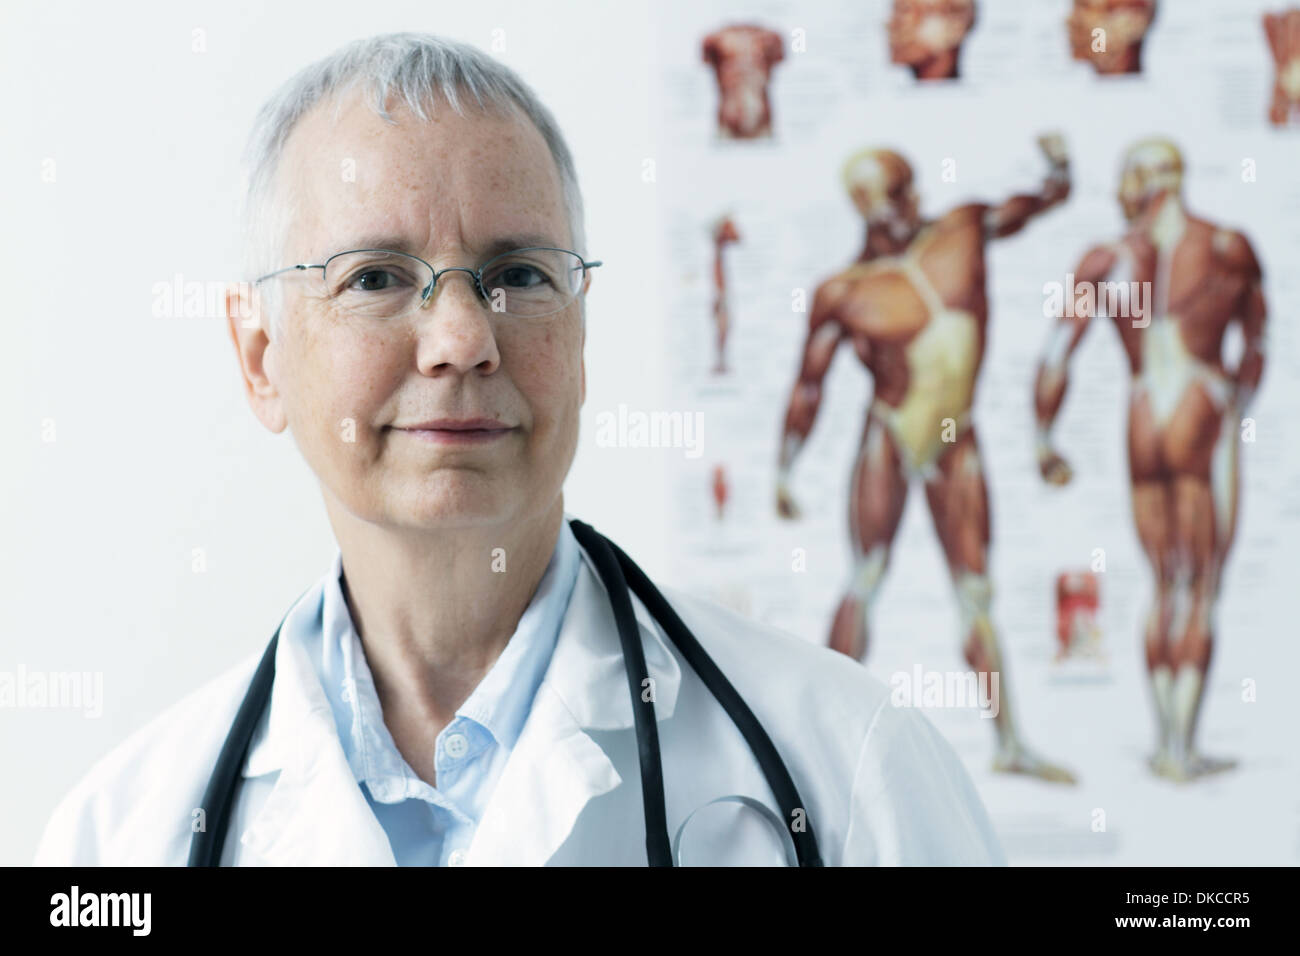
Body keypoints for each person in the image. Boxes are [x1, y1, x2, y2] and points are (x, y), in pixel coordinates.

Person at [33, 32, 1004, 866]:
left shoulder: (846, 769)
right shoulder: (119, 838)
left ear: (580, 338)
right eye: (375, 276)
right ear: (259, 357)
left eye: (518, 274)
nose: (461, 338)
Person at [775, 136, 1076, 784]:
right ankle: (818, 749)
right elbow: (809, 384)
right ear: (863, 210)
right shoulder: (846, 291)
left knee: (976, 593)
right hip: (890, 432)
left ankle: (1009, 743)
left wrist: (1058, 170)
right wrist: (785, 466)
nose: (901, 209)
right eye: (884, 202)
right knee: (867, 577)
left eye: (905, 192)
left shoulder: (963, 230)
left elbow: (1039, 206)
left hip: (955, 434)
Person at [1032, 138, 1266, 782]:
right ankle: (1179, 749)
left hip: (1142, 415)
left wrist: (1043, 439)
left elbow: (1056, 355)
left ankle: (1167, 741)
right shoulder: (1224, 246)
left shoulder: (1106, 261)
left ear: (1148, 183)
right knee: (1200, 587)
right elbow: (1257, 341)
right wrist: (1235, 405)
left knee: (1164, 584)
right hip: (1199, 403)